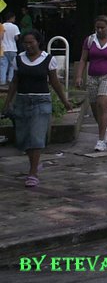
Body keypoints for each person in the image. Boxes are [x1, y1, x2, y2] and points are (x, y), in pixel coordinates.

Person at [3, 31, 73, 187]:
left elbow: (55, 83)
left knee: (36, 137)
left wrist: (65, 101)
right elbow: (14, 82)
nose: (28, 46)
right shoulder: (19, 59)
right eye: (25, 43)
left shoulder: (48, 59)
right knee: (23, 138)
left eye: (31, 42)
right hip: (22, 100)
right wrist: (7, 103)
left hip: (41, 101)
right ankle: (34, 164)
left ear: (38, 42)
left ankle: (33, 172)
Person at [74, 14, 107, 151]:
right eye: (97, 27)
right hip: (93, 76)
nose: (99, 30)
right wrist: (79, 76)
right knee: (94, 107)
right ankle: (104, 128)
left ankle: (101, 139)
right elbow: (83, 59)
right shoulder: (90, 40)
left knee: (102, 104)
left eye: (102, 28)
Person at [1, 10, 20, 87]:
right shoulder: (15, 27)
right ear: (11, 18)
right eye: (14, 18)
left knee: (3, 65)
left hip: (3, 48)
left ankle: (2, 81)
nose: (14, 20)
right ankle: (10, 80)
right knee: (12, 65)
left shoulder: (2, 26)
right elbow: (16, 38)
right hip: (12, 48)